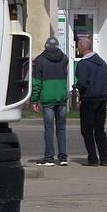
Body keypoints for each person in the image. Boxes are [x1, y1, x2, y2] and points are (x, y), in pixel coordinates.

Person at [31, 36, 70, 166]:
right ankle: (63, 157)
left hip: (48, 97)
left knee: (49, 129)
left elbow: (36, 82)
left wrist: (34, 100)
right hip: (61, 96)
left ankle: (49, 157)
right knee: (61, 128)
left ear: (46, 46)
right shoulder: (64, 58)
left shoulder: (40, 60)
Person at [73, 37, 107, 166]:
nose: (79, 48)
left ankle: (93, 158)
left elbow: (82, 82)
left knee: (87, 130)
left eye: (79, 46)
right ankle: (104, 159)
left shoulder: (84, 63)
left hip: (89, 99)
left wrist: (77, 87)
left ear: (82, 48)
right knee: (100, 129)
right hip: (102, 99)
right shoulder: (102, 62)